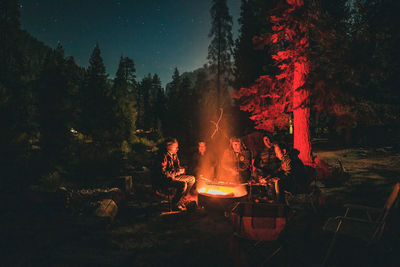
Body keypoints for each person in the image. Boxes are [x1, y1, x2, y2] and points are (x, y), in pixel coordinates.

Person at [154, 138, 196, 210]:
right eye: (176, 147)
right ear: (170, 147)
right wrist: (177, 172)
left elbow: (177, 166)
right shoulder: (162, 156)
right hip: (164, 180)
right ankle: (175, 204)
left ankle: (181, 199)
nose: (177, 149)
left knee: (192, 179)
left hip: (173, 177)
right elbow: (163, 173)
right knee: (183, 184)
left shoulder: (174, 155)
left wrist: (181, 169)